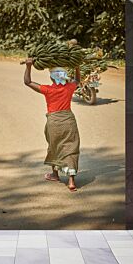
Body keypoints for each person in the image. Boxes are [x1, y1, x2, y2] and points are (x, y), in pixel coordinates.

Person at [23, 58, 81, 192]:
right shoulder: (70, 87)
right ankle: (71, 181)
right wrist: (77, 67)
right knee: (71, 147)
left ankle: (55, 174)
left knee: (54, 147)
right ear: (64, 77)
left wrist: (28, 66)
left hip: (54, 122)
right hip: (69, 120)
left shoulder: (48, 89)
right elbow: (77, 81)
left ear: (52, 78)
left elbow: (27, 82)